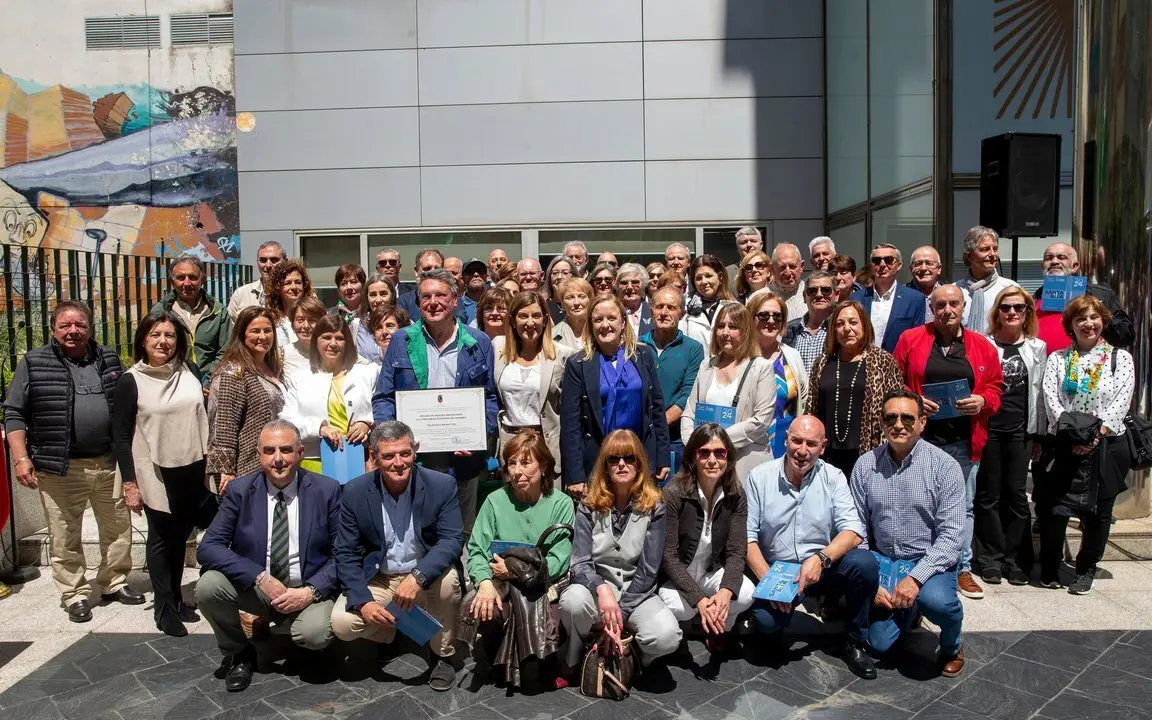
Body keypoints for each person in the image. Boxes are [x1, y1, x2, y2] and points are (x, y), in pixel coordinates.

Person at [4, 301, 139, 623]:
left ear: (90, 328)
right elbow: (14, 413)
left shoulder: (107, 358)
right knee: (65, 535)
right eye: (65, 325)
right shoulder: (34, 362)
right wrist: (20, 458)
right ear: (53, 329)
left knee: (118, 528)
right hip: (59, 467)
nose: (73, 331)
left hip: (108, 463)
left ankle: (114, 581)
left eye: (80, 325)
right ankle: (74, 593)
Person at [197, 420, 341, 692]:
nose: (278, 459)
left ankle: (306, 644)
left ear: (300, 453)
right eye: (269, 450)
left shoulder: (326, 490)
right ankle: (239, 653)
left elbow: (343, 554)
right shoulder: (240, 491)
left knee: (314, 634)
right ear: (258, 454)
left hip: (306, 589)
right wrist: (259, 577)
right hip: (258, 588)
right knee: (208, 587)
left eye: (286, 450)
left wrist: (310, 592)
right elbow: (209, 547)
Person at [330, 421, 464, 691]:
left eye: (405, 453)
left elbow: (452, 539)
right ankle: (389, 632)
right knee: (342, 623)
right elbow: (344, 552)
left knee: (449, 584)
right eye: (389, 456)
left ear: (415, 451)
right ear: (374, 457)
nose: (399, 462)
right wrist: (364, 602)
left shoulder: (442, 485)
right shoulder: (355, 492)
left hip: (424, 574)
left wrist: (418, 577)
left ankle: (442, 656)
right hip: (381, 577)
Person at [893, 285, 1003, 600]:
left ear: (963, 306)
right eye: (940, 305)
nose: (947, 310)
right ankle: (923, 564)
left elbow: (996, 386)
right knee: (918, 501)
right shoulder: (911, 340)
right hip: (921, 439)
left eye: (953, 304)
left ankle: (962, 567)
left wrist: (982, 399)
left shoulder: (982, 345)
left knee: (962, 506)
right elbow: (893, 378)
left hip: (964, 440)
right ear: (932, 308)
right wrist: (913, 399)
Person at [746, 416, 879, 678]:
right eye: (796, 441)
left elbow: (853, 532)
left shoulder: (833, 477)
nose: (802, 450)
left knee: (865, 564)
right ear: (786, 440)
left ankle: (854, 641)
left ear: (823, 447)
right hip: (778, 569)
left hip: (821, 567)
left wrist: (821, 558)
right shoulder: (759, 477)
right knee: (766, 622)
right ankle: (773, 630)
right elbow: (746, 538)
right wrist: (771, 583)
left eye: (811, 443)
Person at [373, 269, 499, 538]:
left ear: (455, 299)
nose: (433, 302)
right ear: (418, 302)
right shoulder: (401, 340)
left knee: (463, 532)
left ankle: (462, 580)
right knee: (417, 532)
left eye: (441, 295)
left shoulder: (478, 343)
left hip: (464, 460)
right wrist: (393, 442)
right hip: (415, 461)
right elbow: (384, 397)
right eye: (426, 296)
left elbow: (489, 398)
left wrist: (478, 435)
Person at [112, 310, 215, 636]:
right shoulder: (132, 381)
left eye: (169, 335)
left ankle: (177, 598)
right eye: (156, 334)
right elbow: (120, 434)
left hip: (192, 468)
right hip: (155, 471)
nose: (163, 341)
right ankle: (164, 607)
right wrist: (129, 482)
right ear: (143, 339)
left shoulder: (190, 371)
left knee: (179, 538)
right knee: (161, 541)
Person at [851, 391, 967, 676]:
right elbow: (857, 526)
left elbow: (952, 535)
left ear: (922, 422)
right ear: (881, 422)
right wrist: (872, 580)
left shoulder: (945, 467)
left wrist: (916, 579)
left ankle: (953, 645)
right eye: (891, 417)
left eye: (907, 418)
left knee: (937, 602)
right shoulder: (866, 464)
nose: (898, 425)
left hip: (927, 561)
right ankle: (908, 611)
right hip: (884, 560)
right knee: (879, 646)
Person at [559, 430, 682, 671]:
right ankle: (574, 656)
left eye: (629, 458)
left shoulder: (655, 507)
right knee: (572, 601)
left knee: (668, 636)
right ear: (605, 465)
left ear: (639, 463)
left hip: (636, 593)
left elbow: (648, 570)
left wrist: (619, 617)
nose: (622, 464)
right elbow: (580, 562)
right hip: (596, 593)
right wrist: (601, 588)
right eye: (614, 459)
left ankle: (635, 660)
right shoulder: (588, 505)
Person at [1038, 295, 1135, 594]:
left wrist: (1094, 437)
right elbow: (1051, 399)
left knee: (1098, 513)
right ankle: (1050, 564)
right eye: (1080, 319)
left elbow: (1122, 400)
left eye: (1093, 317)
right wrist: (1071, 436)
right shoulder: (1058, 359)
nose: (1088, 324)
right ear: (1071, 325)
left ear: (1103, 321)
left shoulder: (1121, 358)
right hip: (1065, 443)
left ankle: (1086, 568)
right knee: (1054, 510)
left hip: (1105, 443)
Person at [462, 430, 575, 686]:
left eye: (525, 463)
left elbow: (559, 559)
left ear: (544, 466)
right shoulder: (495, 501)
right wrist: (485, 582)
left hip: (543, 587)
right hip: (500, 585)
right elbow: (477, 549)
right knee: (479, 604)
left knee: (534, 678)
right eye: (512, 463)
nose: (517, 471)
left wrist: (514, 571)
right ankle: (495, 657)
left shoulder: (561, 503)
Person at [659, 424, 755, 654]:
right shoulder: (674, 492)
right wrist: (699, 599)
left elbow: (735, 550)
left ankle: (718, 627)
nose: (712, 460)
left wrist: (725, 591)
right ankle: (683, 629)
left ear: (728, 457)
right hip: (679, 576)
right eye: (704, 453)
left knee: (745, 593)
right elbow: (668, 556)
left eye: (719, 453)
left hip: (713, 571)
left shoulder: (736, 494)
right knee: (680, 608)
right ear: (694, 456)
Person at [559, 295, 670, 495]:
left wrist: (662, 457)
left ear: (622, 322)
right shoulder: (578, 364)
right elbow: (571, 425)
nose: (605, 325)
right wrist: (575, 475)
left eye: (611, 318)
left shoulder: (643, 356)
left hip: (639, 458)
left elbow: (657, 408)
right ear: (590, 325)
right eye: (598, 319)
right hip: (597, 462)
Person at [974, 287, 1046, 586]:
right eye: (1006, 307)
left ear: (1027, 312)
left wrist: (1039, 435)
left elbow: (1040, 393)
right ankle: (990, 558)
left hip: (1021, 429)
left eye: (1019, 307)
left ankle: (1017, 560)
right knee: (989, 494)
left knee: (1016, 495)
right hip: (990, 428)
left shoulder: (1037, 348)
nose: (1012, 313)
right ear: (997, 313)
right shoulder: (985, 344)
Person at [806, 301, 904, 477]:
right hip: (827, 455)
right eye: (840, 324)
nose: (846, 329)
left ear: (864, 325)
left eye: (853, 322)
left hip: (871, 454)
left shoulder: (883, 361)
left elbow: (896, 408)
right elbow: (811, 408)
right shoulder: (822, 362)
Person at [680, 303, 776, 478]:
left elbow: (761, 421)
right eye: (720, 326)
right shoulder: (706, 366)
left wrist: (716, 442)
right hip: (706, 464)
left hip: (745, 464)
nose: (725, 333)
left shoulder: (761, 368)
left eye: (733, 327)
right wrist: (694, 444)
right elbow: (689, 412)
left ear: (746, 331)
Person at [280, 314, 376, 474]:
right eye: (326, 337)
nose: (333, 344)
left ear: (347, 343)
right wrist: (319, 428)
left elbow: (383, 409)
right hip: (313, 463)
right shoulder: (299, 379)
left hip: (361, 460)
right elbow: (288, 422)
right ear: (316, 341)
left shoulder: (368, 373)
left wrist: (367, 423)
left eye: (339, 338)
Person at [493, 291, 574, 480]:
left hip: (544, 443)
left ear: (545, 319)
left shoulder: (563, 355)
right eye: (523, 316)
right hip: (509, 442)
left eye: (536, 315)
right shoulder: (498, 347)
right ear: (513, 320)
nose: (530, 322)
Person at [208, 307, 286, 494]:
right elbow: (225, 425)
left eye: (267, 331)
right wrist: (226, 472)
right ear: (242, 335)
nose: (263, 336)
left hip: (271, 466)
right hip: (245, 470)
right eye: (255, 331)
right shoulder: (234, 372)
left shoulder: (272, 367)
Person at [641, 286, 705, 473]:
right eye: (659, 306)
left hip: (675, 441)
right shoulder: (637, 345)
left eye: (671, 307)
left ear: (682, 313)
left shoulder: (693, 349)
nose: (664, 312)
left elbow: (688, 395)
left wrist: (658, 424)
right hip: (640, 437)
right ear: (651, 311)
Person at [1033, 241, 1133, 354]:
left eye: (1061, 257)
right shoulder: (1035, 298)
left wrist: (1101, 313)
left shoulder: (1099, 294)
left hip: (1088, 368)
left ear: (1075, 266)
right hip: (1044, 367)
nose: (1054, 261)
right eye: (1048, 258)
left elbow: (1125, 336)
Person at [747, 292, 809, 457]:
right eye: (764, 316)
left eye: (777, 316)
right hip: (748, 444)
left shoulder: (792, 356)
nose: (772, 321)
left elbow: (804, 400)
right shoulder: (741, 358)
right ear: (750, 318)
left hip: (786, 443)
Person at [151, 253, 230, 381]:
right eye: (181, 278)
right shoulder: (161, 311)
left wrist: (210, 381)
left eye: (192, 277)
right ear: (172, 280)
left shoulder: (218, 311)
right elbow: (152, 349)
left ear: (202, 279)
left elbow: (225, 350)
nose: (187, 283)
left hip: (211, 384)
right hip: (173, 382)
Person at [850, 244, 926, 353]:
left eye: (889, 260)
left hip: (898, 366)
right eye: (876, 260)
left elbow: (917, 341)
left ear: (899, 265)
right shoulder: (856, 298)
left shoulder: (915, 299)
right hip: (862, 365)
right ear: (872, 266)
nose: (882, 265)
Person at [954, 226, 1019, 334]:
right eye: (985, 249)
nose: (992, 254)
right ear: (970, 256)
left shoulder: (1010, 289)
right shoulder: (955, 290)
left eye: (995, 249)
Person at [781, 270, 835, 375]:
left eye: (825, 290)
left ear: (836, 295)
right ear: (804, 297)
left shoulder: (841, 328)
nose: (819, 295)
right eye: (812, 290)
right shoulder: (790, 329)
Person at [682, 254, 736, 350]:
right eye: (698, 278)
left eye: (708, 276)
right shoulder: (686, 311)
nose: (703, 282)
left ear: (720, 278)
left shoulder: (736, 308)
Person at [908, 246, 970, 322]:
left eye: (929, 263)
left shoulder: (952, 294)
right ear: (911, 269)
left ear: (939, 269)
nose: (923, 268)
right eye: (918, 264)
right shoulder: (900, 296)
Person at [229, 241, 286, 322]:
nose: (268, 265)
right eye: (263, 260)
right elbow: (232, 331)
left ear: (285, 261)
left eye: (274, 260)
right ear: (257, 263)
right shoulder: (241, 295)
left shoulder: (294, 293)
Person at [264, 258, 312, 345]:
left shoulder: (315, 316)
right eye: (287, 283)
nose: (294, 287)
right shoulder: (270, 320)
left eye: (298, 282)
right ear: (277, 288)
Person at [354, 272, 397, 363]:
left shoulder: (406, 324)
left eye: (383, 294)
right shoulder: (356, 327)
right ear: (367, 297)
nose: (378, 300)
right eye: (373, 295)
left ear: (392, 295)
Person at [397, 249, 448, 321]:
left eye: (437, 269)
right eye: (427, 268)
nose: (433, 272)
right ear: (416, 271)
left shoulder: (453, 299)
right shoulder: (403, 302)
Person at [281, 295, 327, 376]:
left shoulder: (331, 352)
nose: (306, 326)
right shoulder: (282, 355)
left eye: (312, 320)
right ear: (292, 324)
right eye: (300, 320)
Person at [766, 243, 806, 319]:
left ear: (802, 266)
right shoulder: (760, 296)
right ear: (772, 269)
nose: (787, 273)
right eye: (782, 267)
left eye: (792, 266)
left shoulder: (813, 293)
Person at [552, 277, 591, 350]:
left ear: (590, 299)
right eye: (570, 298)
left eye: (581, 296)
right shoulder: (555, 335)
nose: (576, 302)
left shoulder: (599, 329)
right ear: (562, 303)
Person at [617, 262, 653, 337]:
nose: (629, 287)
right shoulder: (612, 311)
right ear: (617, 287)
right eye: (624, 283)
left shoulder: (653, 312)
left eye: (635, 282)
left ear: (643, 286)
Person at [725, 226, 764, 294]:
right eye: (744, 242)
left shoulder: (772, 268)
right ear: (737, 247)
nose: (749, 245)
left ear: (761, 245)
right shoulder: (727, 273)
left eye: (753, 241)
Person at [329, 263, 366, 329]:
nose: (349, 287)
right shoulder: (328, 315)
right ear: (338, 290)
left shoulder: (371, 314)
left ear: (363, 286)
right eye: (343, 283)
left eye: (353, 282)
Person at [457, 258, 489, 327]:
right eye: (470, 272)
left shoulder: (495, 303)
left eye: (480, 271)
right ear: (463, 279)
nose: (476, 274)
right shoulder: (457, 306)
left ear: (487, 277)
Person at [545, 256, 576, 324]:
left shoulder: (579, 304)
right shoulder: (543, 305)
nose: (559, 277)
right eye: (555, 273)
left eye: (565, 273)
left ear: (573, 276)